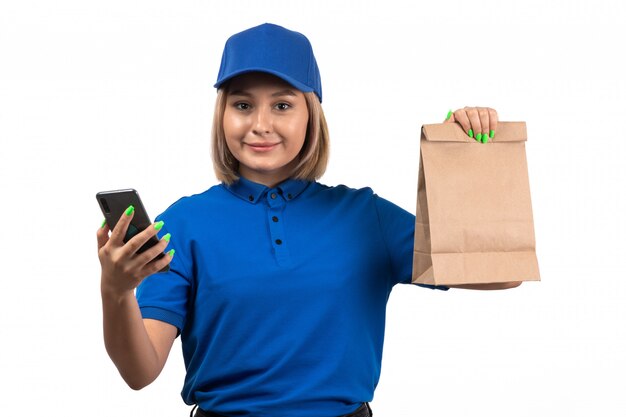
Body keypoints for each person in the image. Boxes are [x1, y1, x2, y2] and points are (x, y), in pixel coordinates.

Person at [96, 23, 522, 417]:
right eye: (243, 104)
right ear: (222, 114)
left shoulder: (365, 217)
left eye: (282, 105)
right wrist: (116, 292)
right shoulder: (185, 224)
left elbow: (502, 273)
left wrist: (466, 156)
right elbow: (141, 372)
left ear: (311, 115)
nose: (260, 125)